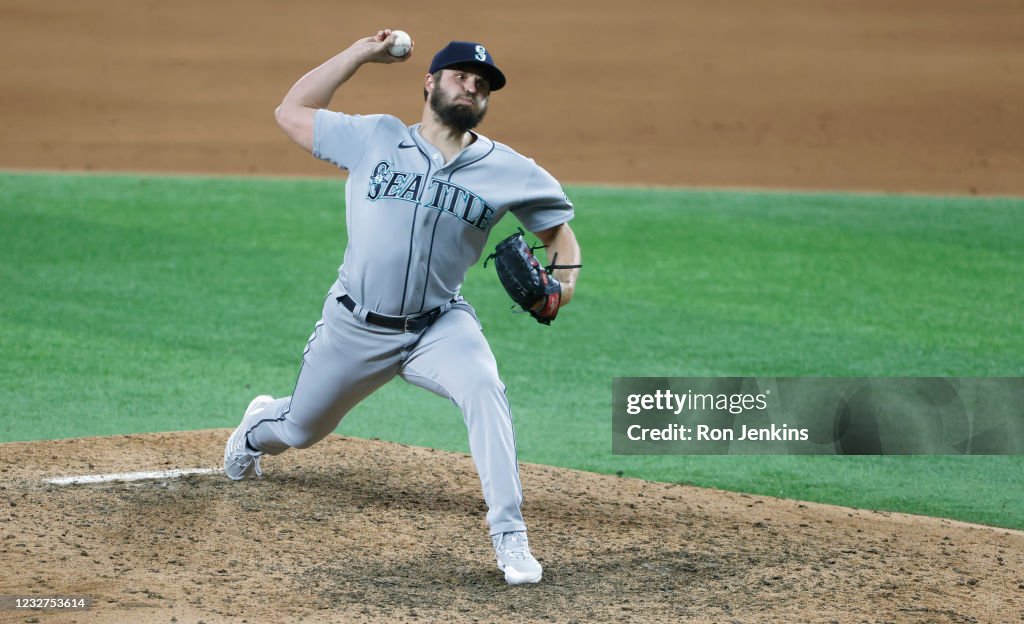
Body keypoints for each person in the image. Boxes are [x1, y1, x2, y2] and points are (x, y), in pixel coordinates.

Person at [223, 29, 580, 586]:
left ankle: (510, 537)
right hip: (355, 324)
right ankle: (252, 429)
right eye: (462, 76)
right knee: (300, 429)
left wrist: (561, 288)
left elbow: (560, 234)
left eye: (482, 84)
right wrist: (362, 53)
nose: (472, 87)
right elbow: (291, 110)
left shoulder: (509, 170)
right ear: (430, 81)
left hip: (440, 324)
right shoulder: (373, 138)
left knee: (484, 388)